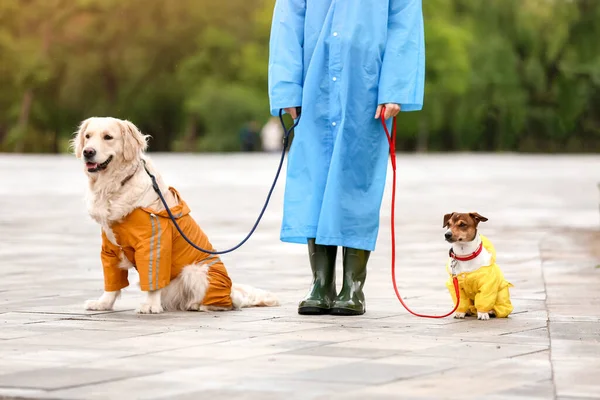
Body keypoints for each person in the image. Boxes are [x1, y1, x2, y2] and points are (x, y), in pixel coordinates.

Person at [268, 0, 425, 316]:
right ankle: (320, 283)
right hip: (315, 84)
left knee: (358, 181)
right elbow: (288, 20)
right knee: (315, 182)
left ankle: (353, 286)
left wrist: (394, 88)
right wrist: (287, 89)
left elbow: (404, 24)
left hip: (365, 88)